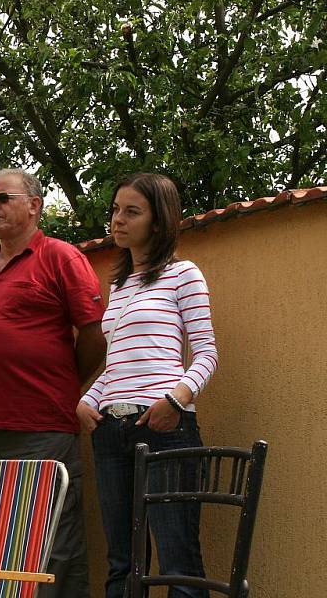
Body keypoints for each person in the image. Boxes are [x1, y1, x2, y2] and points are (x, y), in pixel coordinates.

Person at [0, 168, 106, 597]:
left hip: (43, 427)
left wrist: (63, 387)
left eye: (3, 198)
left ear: (34, 205)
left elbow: (94, 337)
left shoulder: (61, 257)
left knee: (52, 548)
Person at [77, 173, 219, 598]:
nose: (117, 220)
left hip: (165, 429)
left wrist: (175, 401)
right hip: (111, 432)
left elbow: (207, 353)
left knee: (179, 562)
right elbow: (120, 363)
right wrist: (86, 400)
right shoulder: (118, 287)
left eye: (132, 211)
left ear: (158, 222)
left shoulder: (183, 274)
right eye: (116, 209)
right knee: (123, 563)